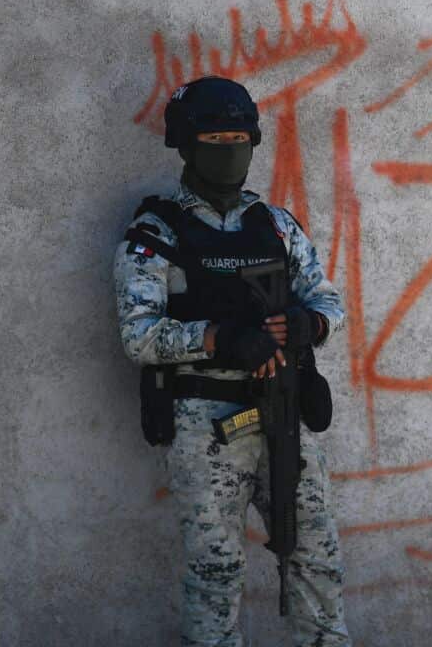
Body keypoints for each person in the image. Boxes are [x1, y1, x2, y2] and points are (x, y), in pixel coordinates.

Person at [113, 75, 351, 646]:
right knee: (216, 574)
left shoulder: (275, 225)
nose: (229, 149)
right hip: (205, 428)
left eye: (238, 136)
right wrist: (218, 338)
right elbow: (139, 336)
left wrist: (307, 324)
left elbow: (328, 301)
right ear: (188, 146)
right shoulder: (156, 233)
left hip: (284, 413)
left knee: (314, 557)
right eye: (215, 137)